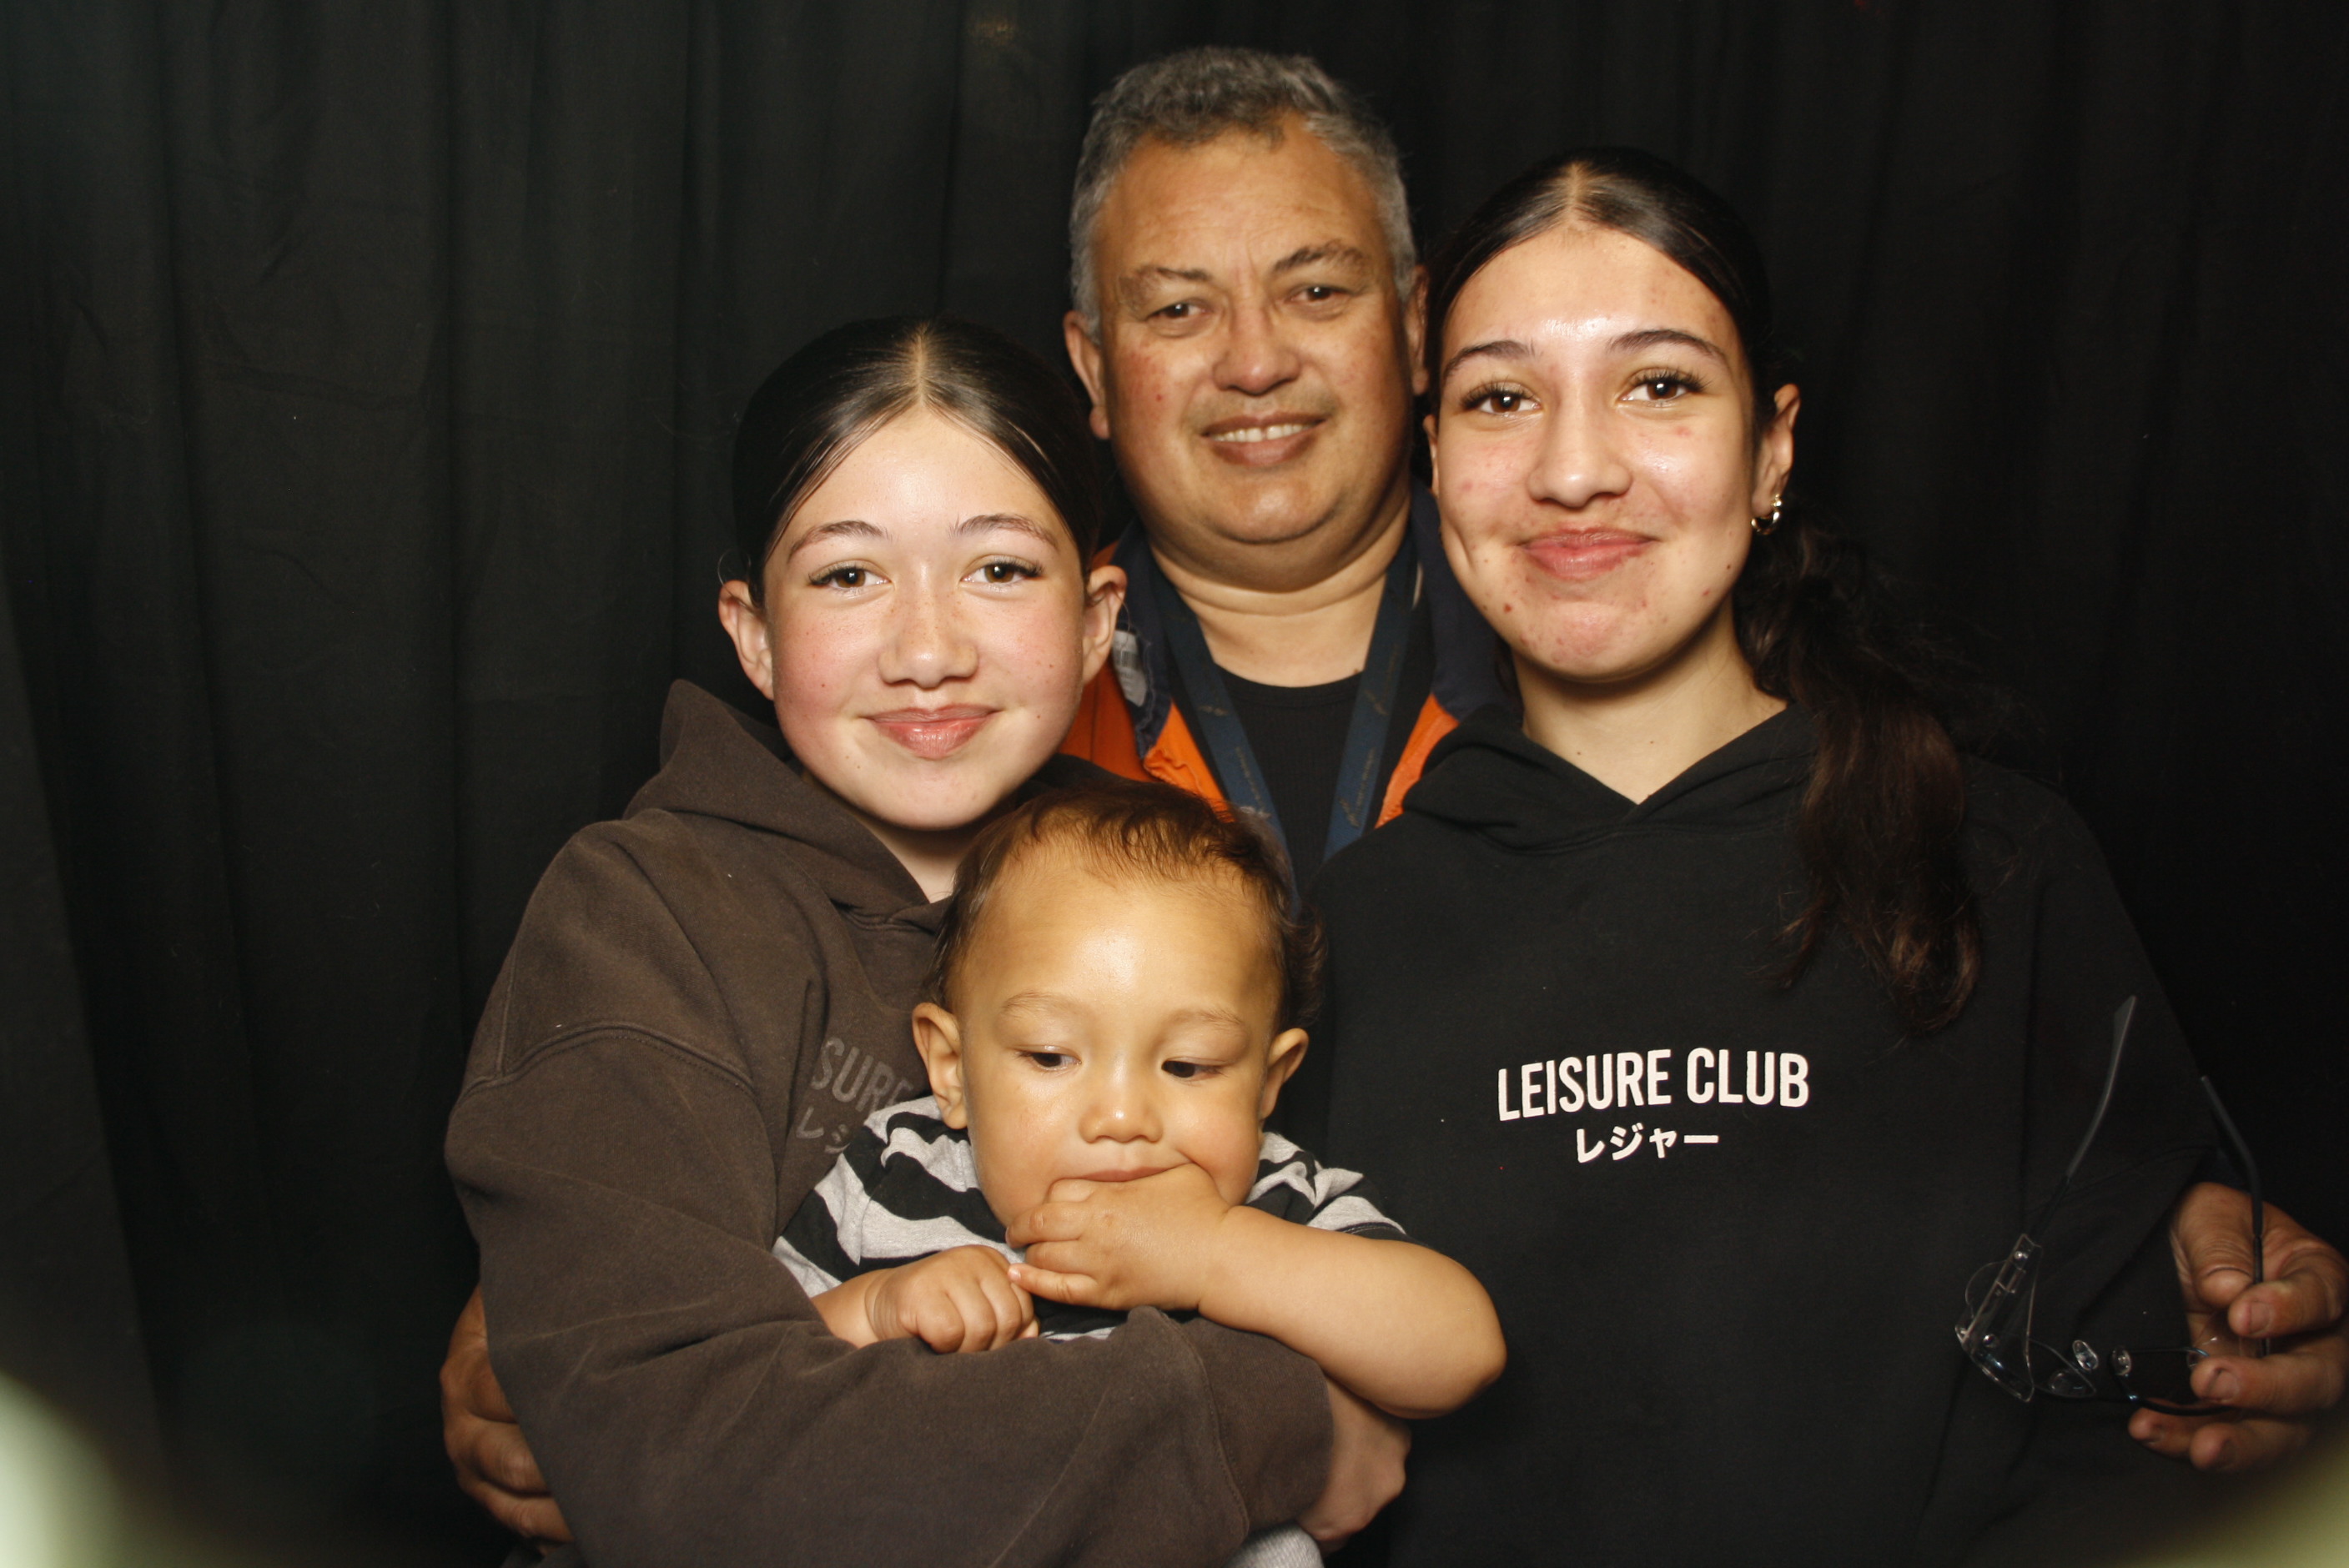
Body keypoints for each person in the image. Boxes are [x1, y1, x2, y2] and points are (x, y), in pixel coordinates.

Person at [443, 44, 2346, 1540]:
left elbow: (2083, 1258)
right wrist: (603, 1312)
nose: (1255, 358)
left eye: (1315, 286)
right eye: (1179, 307)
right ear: (1097, 368)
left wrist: (2192, 1246)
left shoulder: (1898, 803)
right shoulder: (1075, 786)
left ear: (1404, 330)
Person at [1297, 146, 2336, 1565]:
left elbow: (2170, 1404)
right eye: (1499, 397)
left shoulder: (1999, 861)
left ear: (1772, 446)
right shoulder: (1336, 932)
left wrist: (2244, 1348)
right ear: (1433, 456)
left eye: (1659, 384)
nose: (1574, 467)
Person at [444, 315, 1407, 1566]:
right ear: (751, 630)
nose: (929, 651)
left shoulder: (1174, 906)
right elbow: (681, 1468)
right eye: (849, 575)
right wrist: (1268, 1419)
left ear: (1092, 612)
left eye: (999, 570)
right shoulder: (643, 916)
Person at [773, 780, 1505, 1568]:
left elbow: (1460, 1351)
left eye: (1190, 1066)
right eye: (1051, 1056)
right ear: (950, 1067)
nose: (1122, 1117)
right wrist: (877, 1309)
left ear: (1268, 1079)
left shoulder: (1274, 1199)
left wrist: (1218, 1252)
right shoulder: (896, 1173)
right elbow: (754, 1375)